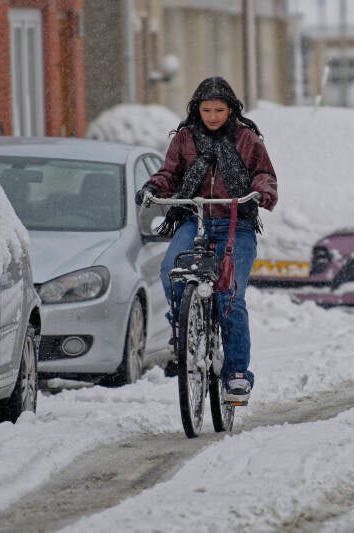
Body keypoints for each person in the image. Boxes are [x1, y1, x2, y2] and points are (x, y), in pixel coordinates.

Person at [135, 76, 278, 401]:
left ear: (231, 109)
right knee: (171, 271)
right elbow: (169, 173)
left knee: (230, 296)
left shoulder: (247, 138)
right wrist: (153, 188)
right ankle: (187, 326)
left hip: (235, 223)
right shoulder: (184, 138)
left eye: (219, 109)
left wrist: (260, 193)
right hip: (193, 218)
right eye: (206, 109)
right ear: (196, 110)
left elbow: (264, 174)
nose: (212, 116)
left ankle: (237, 372)